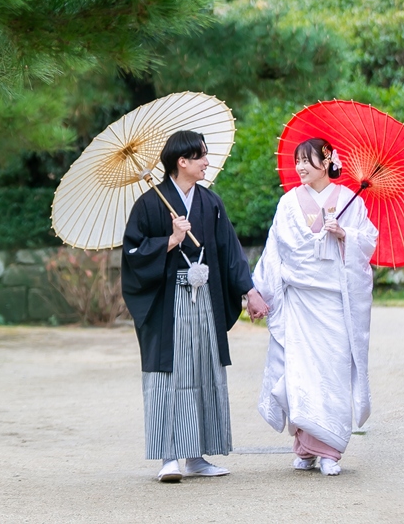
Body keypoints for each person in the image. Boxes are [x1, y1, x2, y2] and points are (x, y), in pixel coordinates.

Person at [121, 130, 259, 483]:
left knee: (202, 370)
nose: (206, 162)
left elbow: (229, 251)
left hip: (206, 301)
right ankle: (169, 457)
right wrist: (171, 240)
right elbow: (133, 254)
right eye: (200, 157)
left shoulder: (210, 203)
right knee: (170, 375)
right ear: (181, 162)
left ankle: (197, 456)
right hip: (168, 303)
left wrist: (249, 290)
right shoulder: (150, 204)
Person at [247, 137, 378, 476]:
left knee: (331, 373)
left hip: (333, 301)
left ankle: (330, 450)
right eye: (297, 162)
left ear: (327, 161)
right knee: (299, 372)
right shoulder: (288, 202)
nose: (301, 167)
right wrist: (257, 292)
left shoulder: (350, 200)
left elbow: (368, 241)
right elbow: (274, 251)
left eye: (307, 161)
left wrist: (345, 233)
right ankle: (306, 446)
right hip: (300, 302)